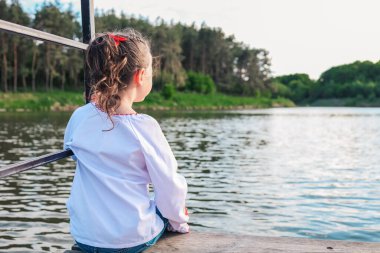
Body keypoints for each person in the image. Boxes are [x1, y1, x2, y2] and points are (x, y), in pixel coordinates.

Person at [63, 29, 189, 253]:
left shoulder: (80, 116)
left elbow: (70, 150)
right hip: (131, 240)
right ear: (141, 76)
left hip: (85, 236)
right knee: (165, 210)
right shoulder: (145, 128)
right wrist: (178, 221)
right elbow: (169, 186)